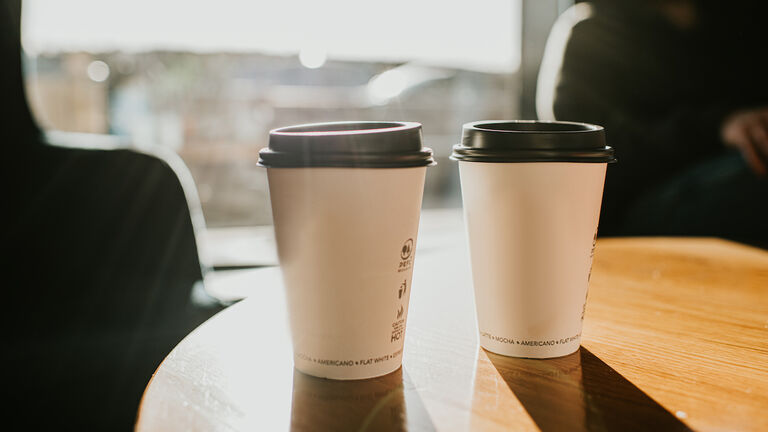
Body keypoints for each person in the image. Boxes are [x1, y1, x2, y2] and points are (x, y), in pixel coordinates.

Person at [541, 0, 768, 245]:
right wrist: (719, 128)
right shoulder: (593, 32)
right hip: (634, 208)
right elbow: (590, 149)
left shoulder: (739, 25)